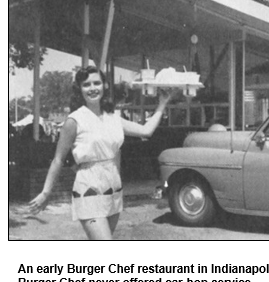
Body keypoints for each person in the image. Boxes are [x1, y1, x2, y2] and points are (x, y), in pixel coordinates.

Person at [27, 66, 173, 240]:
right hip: (88, 189)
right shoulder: (74, 120)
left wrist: (162, 104)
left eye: (97, 83)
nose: (92, 88)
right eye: (86, 85)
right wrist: (45, 192)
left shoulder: (113, 117)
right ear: (79, 89)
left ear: (104, 85)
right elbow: (58, 159)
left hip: (114, 189)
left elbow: (146, 131)